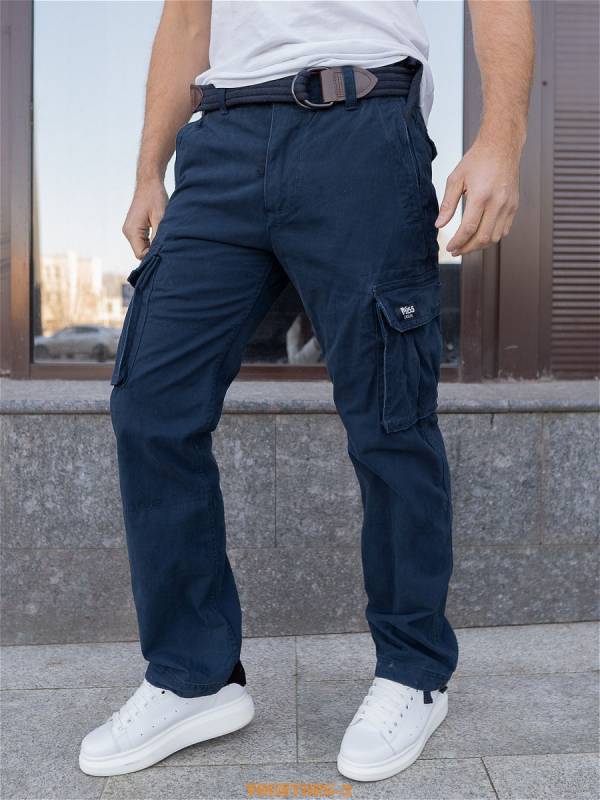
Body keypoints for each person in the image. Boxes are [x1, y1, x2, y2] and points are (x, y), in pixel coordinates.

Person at [79, 0, 534, 782]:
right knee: (150, 402)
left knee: (390, 416)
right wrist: (149, 171)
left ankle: (414, 670)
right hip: (219, 141)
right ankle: (193, 677)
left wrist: (502, 137)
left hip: (362, 123)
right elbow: (186, 20)